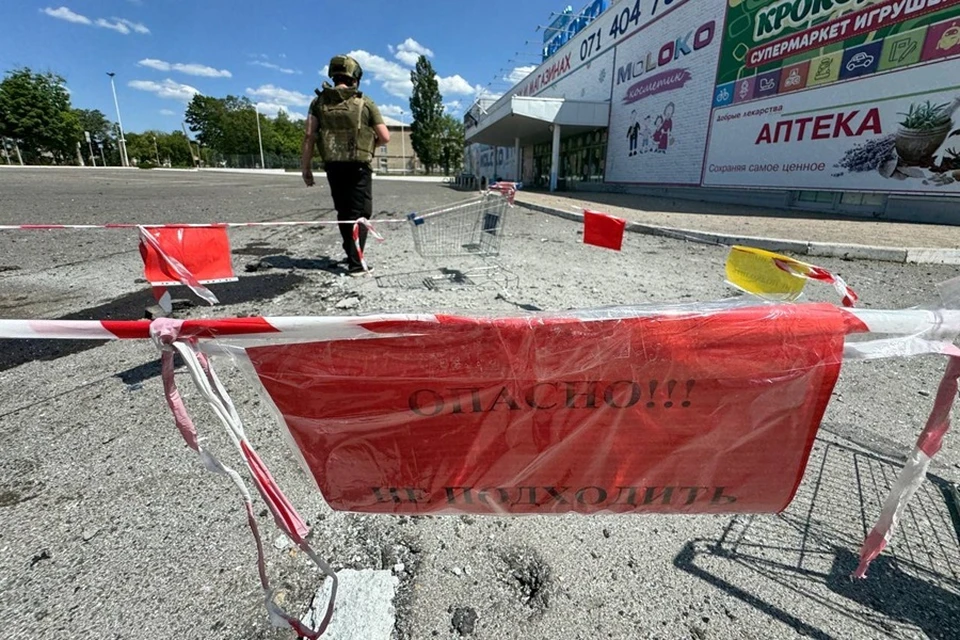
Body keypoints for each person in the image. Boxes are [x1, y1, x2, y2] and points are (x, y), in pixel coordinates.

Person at [301, 55, 390, 275]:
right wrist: (370, 146)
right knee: (361, 213)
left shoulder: (319, 102)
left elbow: (309, 135)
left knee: (344, 212)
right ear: (355, 77)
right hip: (358, 166)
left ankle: (350, 252)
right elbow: (385, 137)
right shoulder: (364, 102)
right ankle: (356, 263)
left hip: (333, 165)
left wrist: (306, 168)